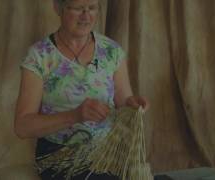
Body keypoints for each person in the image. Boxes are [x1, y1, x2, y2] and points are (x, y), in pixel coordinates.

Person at [15, 0, 149, 179]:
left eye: (92, 8)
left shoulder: (111, 51)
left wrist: (132, 104)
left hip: (107, 151)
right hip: (60, 155)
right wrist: (75, 116)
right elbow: (22, 126)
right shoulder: (39, 56)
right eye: (78, 8)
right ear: (58, 8)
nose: (86, 16)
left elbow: (124, 100)